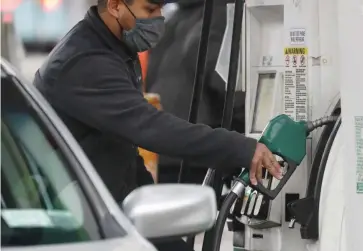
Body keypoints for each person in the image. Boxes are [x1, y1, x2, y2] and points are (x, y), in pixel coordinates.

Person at [33, 0, 281, 250]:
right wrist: (240, 148)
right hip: (81, 225)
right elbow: (151, 127)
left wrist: (153, 205)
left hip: (105, 213)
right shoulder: (87, 62)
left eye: (160, 9)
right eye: (150, 10)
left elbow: (122, 147)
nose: (158, 19)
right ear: (115, 6)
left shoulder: (111, 46)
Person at [146, 0, 246, 184]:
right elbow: (221, 80)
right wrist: (248, 122)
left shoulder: (172, 19)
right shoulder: (219, 13)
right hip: (197, 152)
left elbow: (149, 78)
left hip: (161, 147)